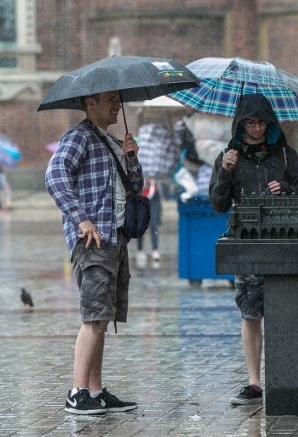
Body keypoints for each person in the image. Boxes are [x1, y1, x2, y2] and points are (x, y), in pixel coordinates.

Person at [208, 93, 298, 406]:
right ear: (240, 125)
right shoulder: (229, 156)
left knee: (286, 312)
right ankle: (254, 383)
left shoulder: (283, 154)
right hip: (248, 245)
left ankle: (289, 376)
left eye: (261, 122)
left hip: (284, 244)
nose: (256, 129)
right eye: (250, 123)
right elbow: (217, 203)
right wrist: (225, 171)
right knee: (251, 313)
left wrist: (288, 190)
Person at [45, 90, 141, 416]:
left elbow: (135, 187)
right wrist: (80, 218)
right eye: (110, 99)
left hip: (114, 239)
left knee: (103, 317)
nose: (117, 105)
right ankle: (77, 392)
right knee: (94, 316)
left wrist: (131, 157)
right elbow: (55, 176)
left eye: (117, 99)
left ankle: (96, 391)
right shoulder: (78, 138)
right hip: (93, 242)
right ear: (90, 103)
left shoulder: (111, 142)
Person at [135, 121, 179, 269]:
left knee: (153, 223)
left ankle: (155, 250)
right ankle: (140, 251)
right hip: (141, 197)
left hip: (154, 196)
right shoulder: (140, 155)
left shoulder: (154, 169)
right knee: (140, 224)